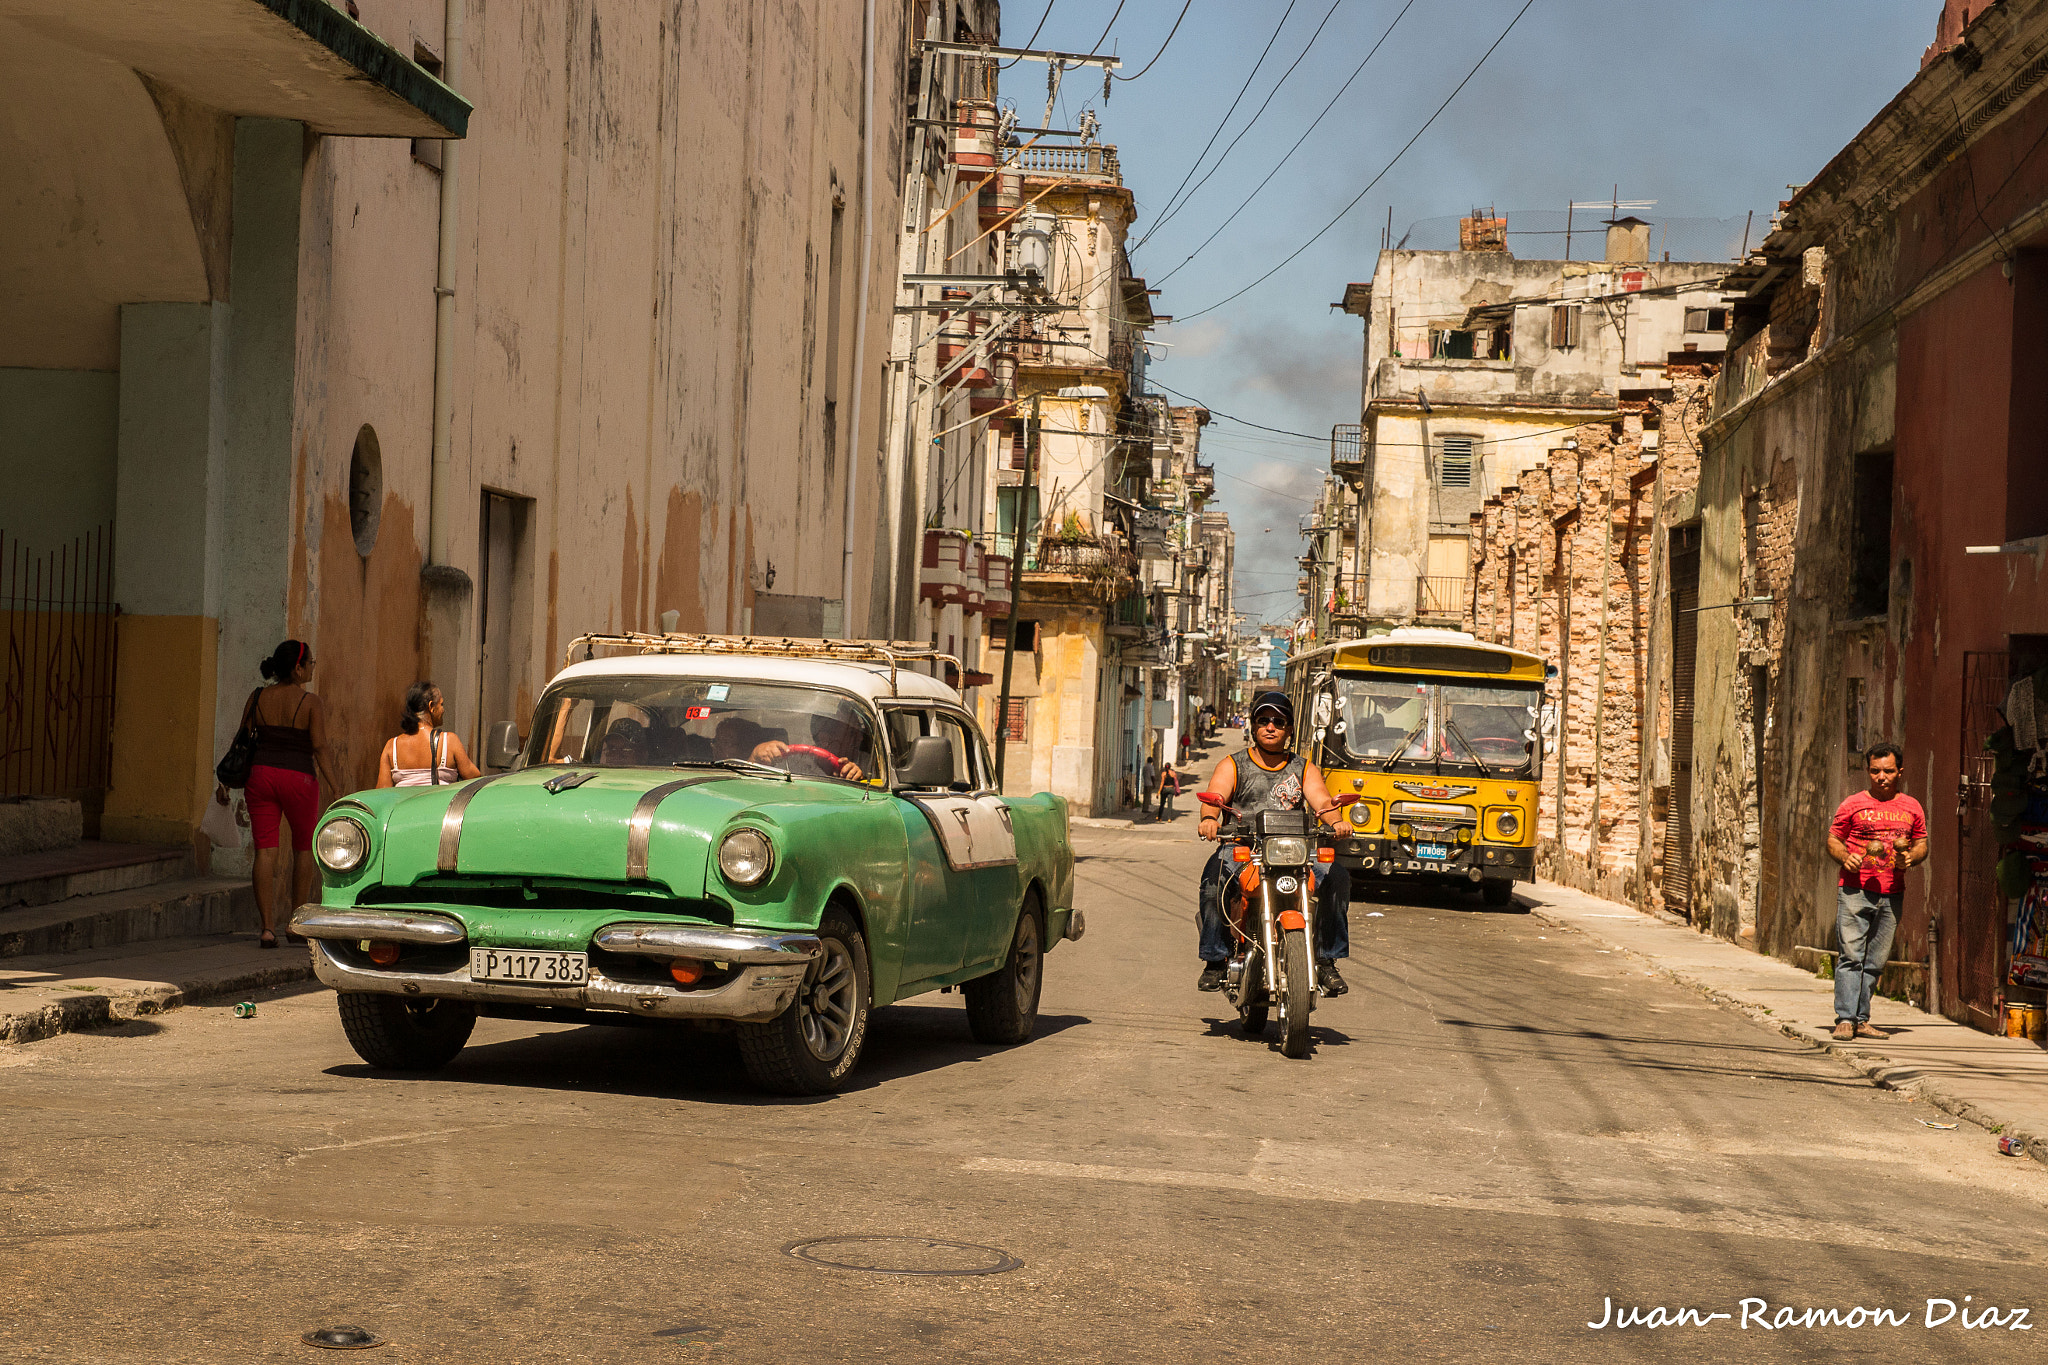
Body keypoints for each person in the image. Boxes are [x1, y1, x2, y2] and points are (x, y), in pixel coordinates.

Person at [1195, 690, 1352, 997]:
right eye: (1263, 720)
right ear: (1253, 727)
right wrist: (1210, 819)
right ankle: (1215, 959)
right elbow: (1215, 795)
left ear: (1289, 729)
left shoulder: (1303, 767)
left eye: (1278, 722)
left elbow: (1321, 800)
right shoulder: (1233, 764)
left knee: (1338, 878)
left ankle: (1326, 960)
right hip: (1243, 848)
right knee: (1213, 882)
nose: (1270, 727)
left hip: (1294, 850)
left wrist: (1336, 822)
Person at [218, 640, 341, 949]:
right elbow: (320, 747)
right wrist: (336, 788)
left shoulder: (258, 697)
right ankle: (296, 926)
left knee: (265, 852)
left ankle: (267, 928)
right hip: (299, 780)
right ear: (297, 668)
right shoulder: (311, 703)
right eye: (310, 662)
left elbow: (241, 739)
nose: (313, 667)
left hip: (260, 777)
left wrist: (223, 781)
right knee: (302, 850)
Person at [1826, 741, 1928, 1041]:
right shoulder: (1852, 804)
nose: (1880, 777)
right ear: (1867, 771)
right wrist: (1846, 857)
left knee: (1875, 961)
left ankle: (1861, 1019)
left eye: (1887, 771)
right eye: (1874, 771)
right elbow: (1833, 839)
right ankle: (1845, 1018)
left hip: (1892, 891)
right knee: (1851, 956)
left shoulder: (1911, 807)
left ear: (1900, 772)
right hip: (1855, 889)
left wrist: (1911, 857)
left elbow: (1921, 843)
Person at [376, 681, 481, 787]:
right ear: (431, 707)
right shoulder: (449, 741)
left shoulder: (391, 746)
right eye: (441, 704)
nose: (443, 710)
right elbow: (475, 778)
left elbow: (382, 792)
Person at [1142, 752, 1160, 817]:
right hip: (1149, 783)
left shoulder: (1145, 767)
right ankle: (1145, 809)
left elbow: (1143, 774)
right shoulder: (1151, 767)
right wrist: (1154, 783)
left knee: (1145, 796)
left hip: (1145, 782)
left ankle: (1144, 807)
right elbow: (1152, 776)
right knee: (1148, 796)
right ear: (1151, 761)